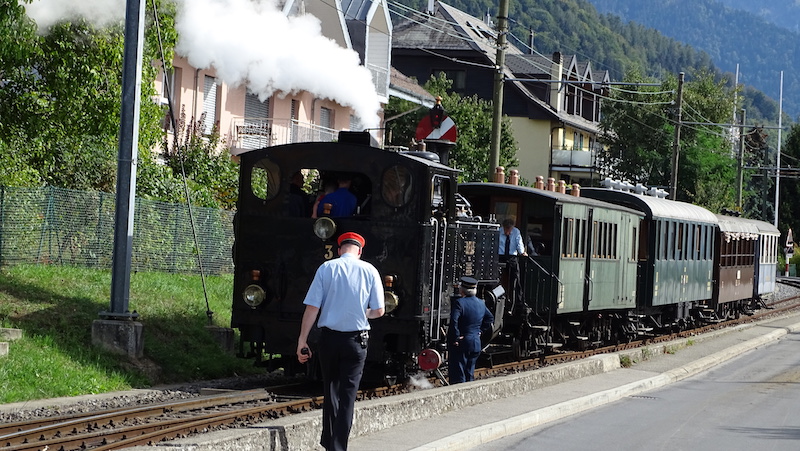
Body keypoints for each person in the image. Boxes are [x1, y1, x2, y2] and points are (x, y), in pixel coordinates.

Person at [296, 232, 385, 451]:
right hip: (356, 342)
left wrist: (302, 340)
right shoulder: (370, 270)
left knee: (331, 391)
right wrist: (363, 314)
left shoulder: (326, 268)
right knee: (348, 397)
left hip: (329, 340)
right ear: (360, 251)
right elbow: (380, 311)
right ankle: (337, 446)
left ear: (339, 250)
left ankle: (329, 444)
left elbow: (312, 308)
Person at [448, 276, 494, 384]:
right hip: (475, 342)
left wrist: (455, 337)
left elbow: (453, 321)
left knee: (459, 374)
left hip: (463, 342)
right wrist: (480, 331)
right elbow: (490, 318)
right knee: (470, 373)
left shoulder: (460, 303)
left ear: (462, 290)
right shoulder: (481, 303)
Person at [499, 219, 527, 310]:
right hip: (500, 256)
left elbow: (519, 243)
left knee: (515, 279)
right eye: (506, 229)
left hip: (512, 257)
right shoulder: (498, 232)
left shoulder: (516, 232)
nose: (507, 231)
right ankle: (499, 296)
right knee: (499, 279)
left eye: (509, 229)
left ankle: (517, 300)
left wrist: (522, 252)